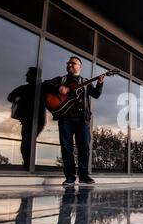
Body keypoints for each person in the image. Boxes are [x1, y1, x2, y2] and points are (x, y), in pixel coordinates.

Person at [42, 56, 104, 186]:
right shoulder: (61, 80)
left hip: (82, 120)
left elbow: (96, 95)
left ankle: (83, 176)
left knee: (84, 148)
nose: (70, 65)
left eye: (73, 63)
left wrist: (100, 83)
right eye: (68, 63)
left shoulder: (86, 82)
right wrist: (58, 88)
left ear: (79, 67)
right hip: (65, 119)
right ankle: (70, 177)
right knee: (66, 148)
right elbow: (45, 84)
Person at [7, 67, 46, 170]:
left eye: (28, 74)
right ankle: (28, 165)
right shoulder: (25, 89)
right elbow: (10, 96)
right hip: (28, 120)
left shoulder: (41, 89)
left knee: (27, 143)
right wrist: (18, 100)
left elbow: (10, 96)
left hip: (36, 121)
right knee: (27, 143)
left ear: (33, 76)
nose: (26, 75)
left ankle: (28, 166)